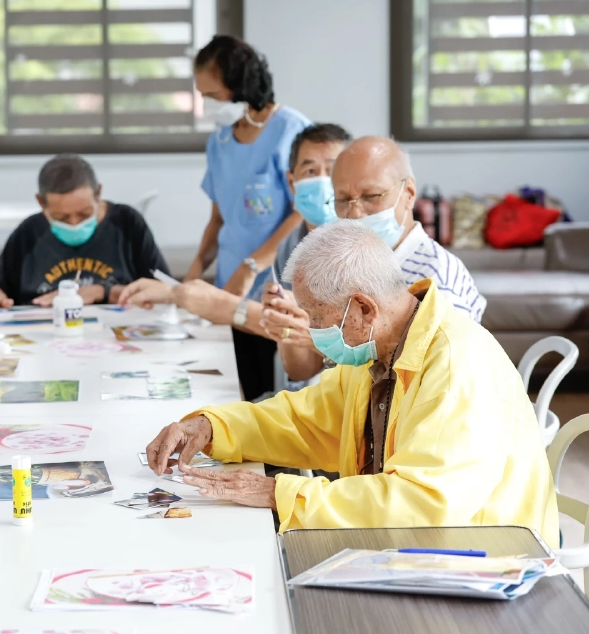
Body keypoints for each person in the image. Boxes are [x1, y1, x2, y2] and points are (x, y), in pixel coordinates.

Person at [145, 220, 558, 545]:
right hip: (413, 543)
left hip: (482, 559)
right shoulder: (381, 347)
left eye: (316, 316)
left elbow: (423, 506)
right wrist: (211, 426)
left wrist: (276, 492)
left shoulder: (454, 364)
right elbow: (305, 420)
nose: (311, 328)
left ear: (363, 307)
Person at [261, 136, 486, 382]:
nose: (355, 212)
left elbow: (428, 383)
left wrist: (317, 339)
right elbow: (303, 372)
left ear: (409, 193)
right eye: (343, 200)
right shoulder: (349, 263)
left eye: (371, 196)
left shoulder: (437, 279)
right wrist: (291, 323)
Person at [119, 123, 351, 341]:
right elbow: (288, 341)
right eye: (311, 170)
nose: (322, 181)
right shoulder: (290, 247)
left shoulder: (358, 249)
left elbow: (331, 339)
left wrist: (226, 306)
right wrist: (176, 294)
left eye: (331, 171)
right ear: (291, 183)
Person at [188, 35, 312, 400]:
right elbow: (218, 218)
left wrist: (253, 265)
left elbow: (302, 211)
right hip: (231, 286)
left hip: (275, 285)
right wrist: (194, 271)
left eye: (212, 95)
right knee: (238, 387)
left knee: (280, 393)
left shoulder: (291, 130)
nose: (207, 105)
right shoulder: (220, 141)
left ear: (240, 84)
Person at [0, 154, 169, 311]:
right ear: (41, 203)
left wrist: (102, 292)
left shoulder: (127, 223)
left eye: (84, 213)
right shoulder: (29, 233)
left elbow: (166, 292)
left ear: (98, 193)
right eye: (61, 217)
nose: (74, 223)